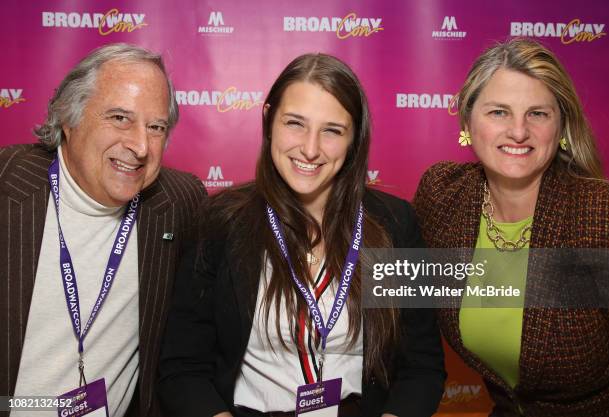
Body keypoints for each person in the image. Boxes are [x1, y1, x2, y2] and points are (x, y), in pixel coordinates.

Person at [159, 53, 445, 417]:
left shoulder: (395, 222)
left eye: (332, 130)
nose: (310, 149)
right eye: (295, 123)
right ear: (268, 120)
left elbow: (422, 368)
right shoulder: (222, 221)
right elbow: (182, 368)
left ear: (354, 139)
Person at [1, 43, 206, 417]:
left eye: (156, 127)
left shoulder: (177, 204)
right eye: (120, 118)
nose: (140, 146)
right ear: (69, 117)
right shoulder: (6, 186)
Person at [413, 38, 609, 416]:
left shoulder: (600, 216)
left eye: (537, 113)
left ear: (562, 125)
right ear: (468, 120)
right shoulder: (443, 197)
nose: (518, 132)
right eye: (499, 112)